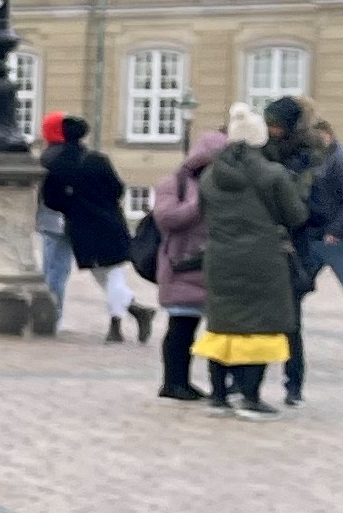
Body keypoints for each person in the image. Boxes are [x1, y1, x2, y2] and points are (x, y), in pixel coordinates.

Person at [199, 103, 309, 416]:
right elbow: (295, 215)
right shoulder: (272, 174)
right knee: (261, 326)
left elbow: (202, 213)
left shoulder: (209, 175)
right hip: (262, 259)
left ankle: (218, 395)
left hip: (220, 258)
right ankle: (250, 396)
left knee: (222, 325)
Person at [270, 95, 343, 372]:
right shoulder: (311, 159)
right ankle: (284, 343)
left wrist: (336, 230)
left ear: (328, 134)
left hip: (340, 240)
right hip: (312, 236)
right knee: (296, 290)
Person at [39, 119, 151, 344]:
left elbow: (51, 199)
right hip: (110, 222)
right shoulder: (97, 159)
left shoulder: (56, 163)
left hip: (80, 226)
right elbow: (117, 189)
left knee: (105, 276)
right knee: (113, 275)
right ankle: (126, 317)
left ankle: (124, 320)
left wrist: (71, 205)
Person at [149, 129, 221, 402]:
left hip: (211, 262)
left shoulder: (223, 183)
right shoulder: (174, 183)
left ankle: (195, 383)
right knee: (181, 326)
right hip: (182, 263)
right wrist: (200, 202)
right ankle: (174, 382)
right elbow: (167, 217)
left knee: (212, 329)